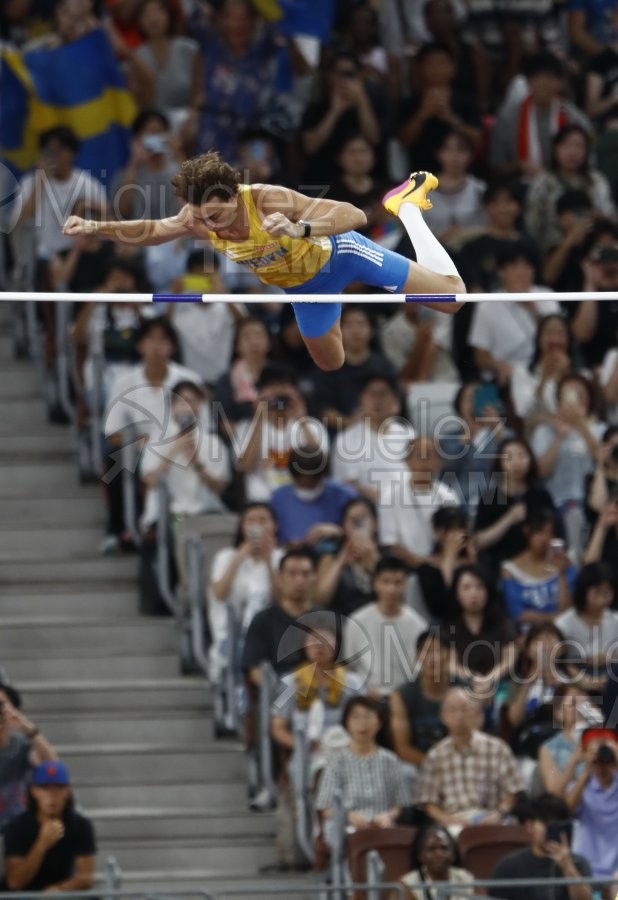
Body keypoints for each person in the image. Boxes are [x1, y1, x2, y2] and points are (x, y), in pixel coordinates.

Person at [63, 152, 466, 374]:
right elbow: (151, 230)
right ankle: (338, 302)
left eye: (214, 216)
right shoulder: (196, 217)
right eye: (198, 216)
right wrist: (96, 226)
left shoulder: (267, 199)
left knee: (453, 300)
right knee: (331, 363)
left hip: (344, 254)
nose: (204, 224)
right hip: (305, 290)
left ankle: (408, 208)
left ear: (233, 197)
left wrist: (301, 230)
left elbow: (354, 216)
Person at [139, 380, 231, 590]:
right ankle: (187, 592)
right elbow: (150, 480)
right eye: (181, 402)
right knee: (181, 527)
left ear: (200, 405)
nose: (186, 406)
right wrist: (174, 449)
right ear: (172, 407)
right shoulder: (157, 440)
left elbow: (221, 487)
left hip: (208, 513)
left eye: (192, 401)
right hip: (173, 515)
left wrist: (197, 463)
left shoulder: (212, 442)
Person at [417, 687, 523, 834]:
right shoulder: (435, 756)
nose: (459, 716)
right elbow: (429, 802)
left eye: (465, 709)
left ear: (476, 712)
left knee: (509, 830)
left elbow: (512, 792)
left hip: (491, 816)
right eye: (452, 710)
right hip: (454, 819)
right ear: (442, 716)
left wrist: (498, 813)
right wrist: (447, 819)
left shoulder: (497, 748)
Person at [315, 695, 411, 846]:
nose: (362, 723)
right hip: (346, 829)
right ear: (346, 723)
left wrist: (389, 815)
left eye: (368, 717)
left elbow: (400, 803)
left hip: (381, 827)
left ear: (379, 723)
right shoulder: (336, 761)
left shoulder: (390, 760)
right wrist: (348, 816)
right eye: (356, 717)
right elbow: (325, 807)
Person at [531, 373, 605, 556]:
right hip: (554, 504)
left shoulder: (600, 430)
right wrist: (558, 437)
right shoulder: (544, 431)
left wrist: (582, 426)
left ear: (588, 399)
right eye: (568, 394)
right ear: (558, 400)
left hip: (591, 503)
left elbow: (604, 460)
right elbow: (540, 471)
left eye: (579, 394)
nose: (573, 400)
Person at [208, 502, 281, 683]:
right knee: (235, 653)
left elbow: (283, 600)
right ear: (242, 527)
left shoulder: (281, 557)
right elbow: (218, 593)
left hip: (269, 638)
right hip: (231, 636)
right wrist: (239, 558)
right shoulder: (226, 556)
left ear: (274, 526)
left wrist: (269, 561)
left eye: (263, 520)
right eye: (251, 521)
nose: (257, 526)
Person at [234, 364, 328, 502]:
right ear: (260, 394)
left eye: (283, 386)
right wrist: (258, 420)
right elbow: (245, 467)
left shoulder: (313, 426)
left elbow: (320, 465)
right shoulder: (245, 428)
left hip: (301, 499)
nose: (277, 393)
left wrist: (302, 417)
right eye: (271, 387)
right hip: (262, 500)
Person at [468, 243, 560, 384]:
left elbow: (559, 338)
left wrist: (532, 309)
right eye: (514, 266)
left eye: (527, 266)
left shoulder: (547, 296)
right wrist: (499, 366)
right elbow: (480, 358)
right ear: (501, 272)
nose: (521, 272)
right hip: (506, 377)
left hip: (544, 372)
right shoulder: (487, 305)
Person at [490, 53, 590, 179]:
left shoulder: (575, 118)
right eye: (537, 79)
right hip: (520, 184)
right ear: (528, 82)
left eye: (549, 79)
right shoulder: (507, 118)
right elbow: (496, 166)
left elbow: (588, 163)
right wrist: (518, 165)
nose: (543, 85)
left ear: (560, 83)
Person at [4, 760, 96, 893]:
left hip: (63, 895)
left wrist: (60, 889)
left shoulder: (80, 825)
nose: (52, 795)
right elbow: (15, 882)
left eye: (59, 788)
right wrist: (41, 845)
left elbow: (86, 876)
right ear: (34, 791)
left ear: (67, 791)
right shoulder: (16, 827)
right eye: (45, 788)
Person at [474, 437, 559, 579]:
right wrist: (509, 519)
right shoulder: (491, 497)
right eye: (509, 457)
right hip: (502, 565)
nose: (516, 462)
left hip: (539, 562)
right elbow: (479, 541)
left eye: (522, 455)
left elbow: (555, 532)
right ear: (500, 463)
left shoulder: (540, 495)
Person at [343, 556, 427, 697]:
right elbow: (349, 668)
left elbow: (421, 668)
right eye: (385, 582)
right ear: (375, 583)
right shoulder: (356, 621)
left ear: (405, 585)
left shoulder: (418, 625)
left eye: (397, 583)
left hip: (406, 696)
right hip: (367, 696)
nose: (391, 589)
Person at [524, 125, 614, 254]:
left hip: (593, 248)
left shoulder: (597, 180)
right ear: (555, 149)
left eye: (579, 146)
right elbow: (532, 226)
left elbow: (610, 217)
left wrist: (600, 216)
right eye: (566, 145)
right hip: (551, 249)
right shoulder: (543, 182)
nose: (572, 152)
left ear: (587, 151)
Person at [330, 373, 414, 502]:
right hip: (369, 506)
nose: (377, 400)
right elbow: (345, 486)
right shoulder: (346, 441)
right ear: (361, 399)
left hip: (407, 503)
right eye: (372, 394)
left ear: (395, 401)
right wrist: (383, 497)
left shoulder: (409, 434)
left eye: (383, 394)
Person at [313, 306, 400, 430]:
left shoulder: (385, 367)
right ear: (339, 331)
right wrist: (352, 423)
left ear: (371, 330)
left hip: (381, 429)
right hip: (339, 432)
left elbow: (395, 404)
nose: (355, 331)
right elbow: (323, 409)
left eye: (361, 324)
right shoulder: (328, 366)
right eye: (349, 325)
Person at [379, 436, 460, 570]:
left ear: (439, 461)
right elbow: (390, 543)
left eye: (430, 455)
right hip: (404, 569)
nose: (424, 461)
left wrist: (439, 562)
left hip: (442, 566)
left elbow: (455, 538)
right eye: (418, 455)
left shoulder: (448, 497)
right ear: (407, 460)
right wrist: (419, 562)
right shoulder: (390, 497)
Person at [491, 794, 592, 900]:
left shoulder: (578, 863)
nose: (552, 829)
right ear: (530, 826)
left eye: (557, 824)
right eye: (546, 823)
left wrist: (567, 867)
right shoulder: (509, 866)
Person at [242, 547, 316, 688]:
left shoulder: (325, 619)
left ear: (314, 578)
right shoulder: (263, 620)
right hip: (277, 696)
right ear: (280, 578)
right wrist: (281, 692)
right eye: (292, 574)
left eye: (305, 574)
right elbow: (254, 669)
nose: (299, 580)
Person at [390, 630, 460, 770]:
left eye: (439, 651)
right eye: (427, 652)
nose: (433, 658)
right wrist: (437, 767)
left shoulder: (464, 692)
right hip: (420, 765)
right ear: (418, 656)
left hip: (459, 764)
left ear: (450, 655)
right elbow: (402, 748)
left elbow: (473, 738)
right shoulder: (401, 695)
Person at [501, 508, 576, 633]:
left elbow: (568, 610)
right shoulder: (510, 570)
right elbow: (518, 614)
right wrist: (553, 618)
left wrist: (561, 573)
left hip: (563, 633)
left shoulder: (566, 563)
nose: (545, 538)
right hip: (528, 634)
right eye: (540, 532)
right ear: (527, 531)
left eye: (550, 533)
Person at [443, 563, 516, 691]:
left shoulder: (502, 623)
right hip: (463, 687)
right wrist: (473, 679)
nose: (473, 593)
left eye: (479, 587)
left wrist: (489, 679)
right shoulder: (450, 626)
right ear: (456, 593)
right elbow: (451, 664)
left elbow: (509, 661)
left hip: (499, 684)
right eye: (466, 588)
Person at [269, 447, 358, 546]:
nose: (307, 487)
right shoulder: (278, 498)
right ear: (293, 477)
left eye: (312, 484)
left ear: (322, 476)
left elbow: (361, 531)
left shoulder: (344, 495)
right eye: (302, 484)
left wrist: (338, 532)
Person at [132, 0, 202, 123]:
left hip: (188, 122)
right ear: (139, 21)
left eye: (159, 11)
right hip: (151, 126)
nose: (153, 18)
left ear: (169, 15)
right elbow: (139, 104)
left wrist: (191, 118)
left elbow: (199, 94)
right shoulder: (136, 57)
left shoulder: (190, 50)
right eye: (146, 14)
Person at [0, 687, 57, 833]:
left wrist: (28, 728)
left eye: (2, 705)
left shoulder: (22, 745)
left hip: (18, 829)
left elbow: (52, 765)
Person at [566, 730, 618, 888]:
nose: (602, 766)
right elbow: (567, 810)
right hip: (588, 868)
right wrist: (586, 771)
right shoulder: (580, 787)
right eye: (597, 761)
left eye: (606, 761)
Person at [314, 496, 380, 617]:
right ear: (343, 526)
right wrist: (340, 562)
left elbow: (395, 597)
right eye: (353, 520)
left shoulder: (386, 556)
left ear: (376, 524)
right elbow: (319, 600)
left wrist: (375, 563)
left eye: (363, 519)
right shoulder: (331, 557)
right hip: (340, 623)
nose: (358, 525)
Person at [111, 109, 180, 221]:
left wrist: (178, 154)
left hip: (176, 234)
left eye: (159, 132)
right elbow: (122, 211)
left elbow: (193, 204)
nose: (155, 138)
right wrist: (134, 163)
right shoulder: (125, 175)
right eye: (150, 133)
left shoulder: (178, 170)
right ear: (137, 139)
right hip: (139, 235)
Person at [509, 314, 574, 431]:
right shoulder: (522, 371)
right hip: (537, 432)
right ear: (539, 338)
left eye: (560, 334)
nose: (555, 339)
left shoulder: (581, 374)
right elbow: (523, 411)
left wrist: (565, 376)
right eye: (549, 333)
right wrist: (543, 380)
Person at [423, 131, 486, 248]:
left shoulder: (480, 190)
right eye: (447, 149)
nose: (454, 156)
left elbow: (487, 227)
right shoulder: (422, 191)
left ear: (471, 155)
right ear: (438, 154)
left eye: (461, 150)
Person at [416, 507, 477, 622]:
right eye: (451, 530)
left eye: (461, 529)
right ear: (437, 532)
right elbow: (440, 606)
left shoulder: (476, 561)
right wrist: (449, 557)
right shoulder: (427, 568)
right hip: (447, 624)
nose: (458, 535)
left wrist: (473, 558)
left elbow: (489, 593)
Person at [555, 563, 618, 672]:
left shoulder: (615, 619)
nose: (604, 598)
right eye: (597, 593)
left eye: (608, 592)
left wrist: (611, 657)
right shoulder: (563, 624)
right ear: (583, 592)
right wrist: (586, 662)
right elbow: (557, 662)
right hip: (576, 677)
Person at [214, 317, 271, 427]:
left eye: (258, 335)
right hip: (242, 437)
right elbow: (224, 422)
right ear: (237, 345)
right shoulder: (226, 381)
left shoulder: (281, 374)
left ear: (269, 342)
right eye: (247, 336)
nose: (254, 341)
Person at [538, 684, 595, 795]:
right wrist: (573, 763)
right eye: (574, 703)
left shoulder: (603, 739)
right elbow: (553, 792)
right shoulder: (548, 749)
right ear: (559, 713)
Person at [397, 823, 474, 900]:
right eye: (431, 849)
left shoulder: (466, 879)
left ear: (453, 854)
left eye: (444, 848)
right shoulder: (406, 885)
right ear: (420, 855)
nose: (439, 854)